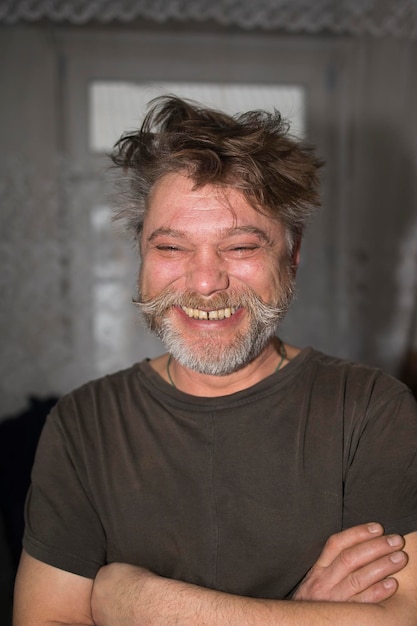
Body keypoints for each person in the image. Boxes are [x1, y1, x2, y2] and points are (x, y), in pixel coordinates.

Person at [13, 96, 417, 625]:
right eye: (172, 248)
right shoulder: (82, 425)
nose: (205, 282)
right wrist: (301, 614)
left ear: (291, 254)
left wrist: (136, 600)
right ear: (141, 255)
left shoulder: (371, 411)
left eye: (241, 247)